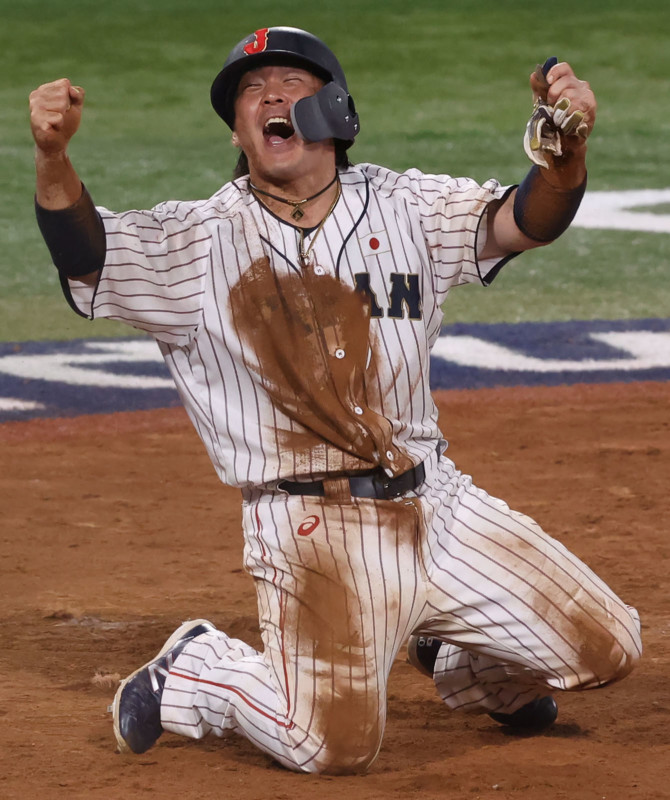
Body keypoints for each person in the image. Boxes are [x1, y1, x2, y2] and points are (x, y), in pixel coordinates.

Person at [30, 26, 641, 775]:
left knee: (611, 649)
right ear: (239, 131)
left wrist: (566, 156)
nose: (269, 97)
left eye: (290, 82)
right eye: (251, 92)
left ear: (337, 110)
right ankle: (198, 671)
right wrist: (53, 160)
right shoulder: (197, 242)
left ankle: (461, 663)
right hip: (312, 529)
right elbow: (85, 252)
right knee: (330, 747)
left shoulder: (407, 206)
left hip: (439, 505)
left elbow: (527, 219)